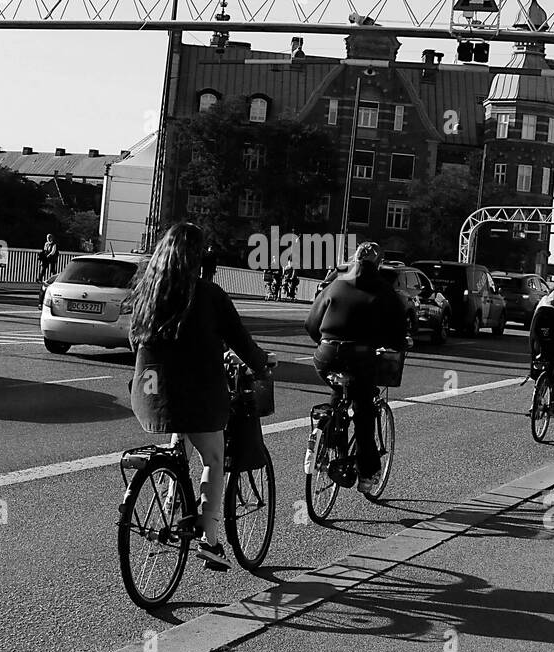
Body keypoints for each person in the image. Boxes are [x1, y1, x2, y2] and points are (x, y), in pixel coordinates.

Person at [128, 222, 270, 570]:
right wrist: (262, 365)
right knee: (214, 459)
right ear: (198, 257)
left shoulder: (149, 290)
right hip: (198, 396)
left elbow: (134, 338)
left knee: (181, 437)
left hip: (150, 393)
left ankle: (173, 495)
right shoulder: (208, 294)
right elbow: (240, 341)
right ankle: (211, 540)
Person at [305, 242, 409, 494]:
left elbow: (311, 324)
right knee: (363, 413)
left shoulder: (336, 284)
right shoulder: (384, 291)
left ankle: (324, 443)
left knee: (339, 391)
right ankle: (367, 473)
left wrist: (328, 342)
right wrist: (396, 342)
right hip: (360, 358)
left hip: (325, 355)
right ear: (378, 264)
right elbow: (397, 333)